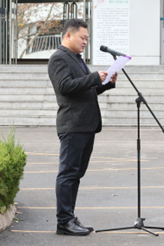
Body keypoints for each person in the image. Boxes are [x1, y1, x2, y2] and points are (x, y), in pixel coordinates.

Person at [48, 19, 117, 236]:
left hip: (85, 126)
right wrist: (93, 77)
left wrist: (106, 84)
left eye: (87, 38)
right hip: (73, 125)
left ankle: (69, 217)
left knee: (76, 174)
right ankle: (64, 222)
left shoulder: (76, 59)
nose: (85, 41)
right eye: (82, 38)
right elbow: (65, 87)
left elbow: (86, 91)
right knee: (68, 173)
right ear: (68, 35)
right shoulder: (59, 58)